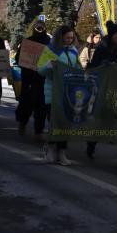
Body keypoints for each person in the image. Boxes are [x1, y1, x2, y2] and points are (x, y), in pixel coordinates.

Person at [86, 22, 117, 169]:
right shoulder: (102, 49)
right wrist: (103, 65)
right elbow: (92, 68)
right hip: (105, 90)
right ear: (111, 36)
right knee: (103, 121)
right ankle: (91, 143)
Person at [38, 25, 80, 166]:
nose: (70, 40)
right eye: (67, 37)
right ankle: (50, 148)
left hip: (68, 93)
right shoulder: (50, 50)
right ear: (60, 37)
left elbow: (78, 68)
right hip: (53, 92)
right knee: (54, 123)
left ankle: (62, 152)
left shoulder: (74, 51)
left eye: (72, 37)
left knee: (65, 123)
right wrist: (47, 66)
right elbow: (40, 70)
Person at [14, 19, 51, 139]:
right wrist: (27, 63)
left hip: (43, 80)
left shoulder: (50, 43)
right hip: (29, 79)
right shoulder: (28, 42)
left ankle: (38, 131)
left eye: (42, 27)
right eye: (37, 27)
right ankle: (22, 123)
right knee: (26, 104)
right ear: (34, 28)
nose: (39, 29)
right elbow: (18, 59)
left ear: (45, 28)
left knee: (41, 107)